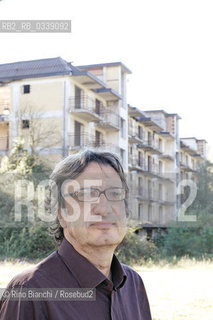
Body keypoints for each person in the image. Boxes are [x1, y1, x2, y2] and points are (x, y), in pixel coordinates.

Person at [0, 149, 152, 320]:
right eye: (87, 194)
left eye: (115, 194)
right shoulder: (29, 292)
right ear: (61, 214)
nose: (104, 208)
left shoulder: (133, 283)